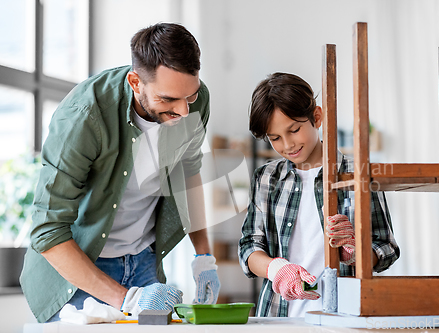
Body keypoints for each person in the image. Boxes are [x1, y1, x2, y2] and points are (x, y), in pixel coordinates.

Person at [20, 23, 220, 323]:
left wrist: (204, 257)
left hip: (145, 261)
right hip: (81, 272)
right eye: (168, 100)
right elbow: (47, 230)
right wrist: (128, 299)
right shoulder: (84, 116)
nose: (183, 111)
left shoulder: (196, 101)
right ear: (135, 82)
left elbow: (189, 174)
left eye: (188, 97)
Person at [238, 72, 400, 317]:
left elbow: (386, 248)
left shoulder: (358, 175)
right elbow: (249, 248)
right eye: (275, 138)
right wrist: (277, 269)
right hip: (278, 316)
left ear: (317, 116)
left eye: (294, 130)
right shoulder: (266, 178)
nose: (288, 145)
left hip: (344, 317)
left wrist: (356, 252)